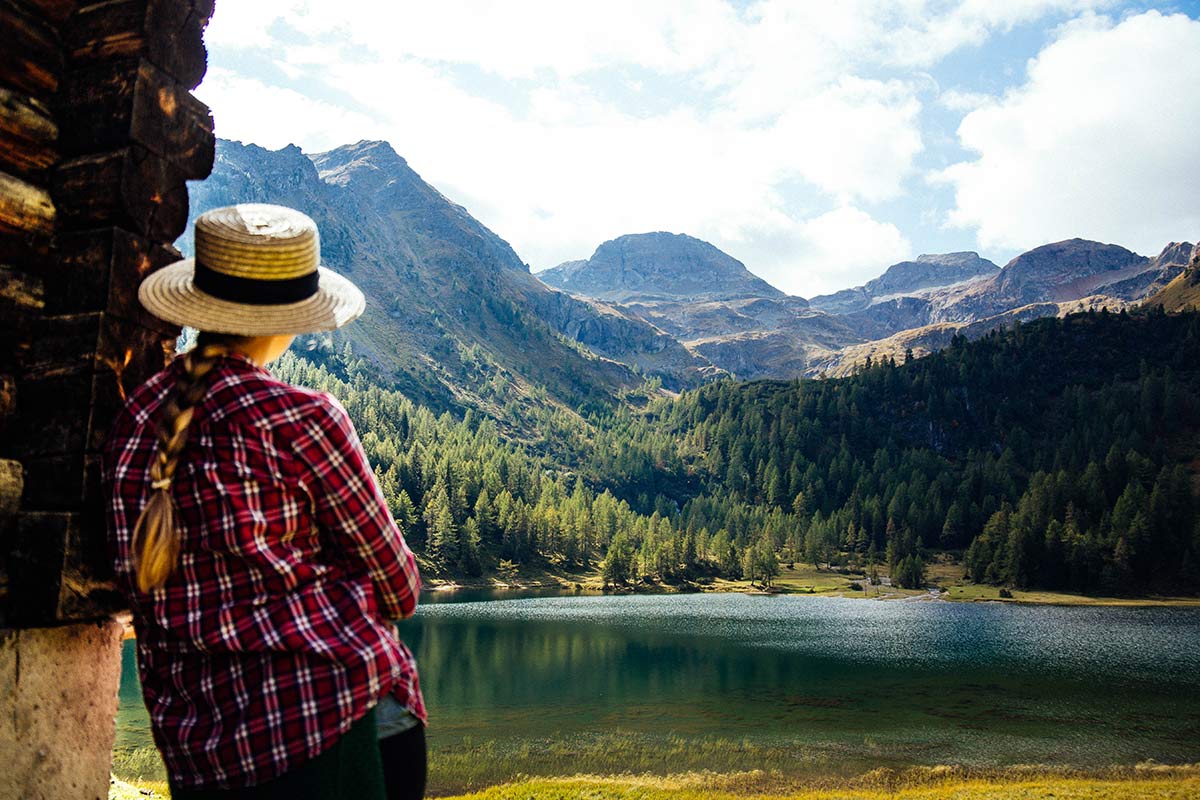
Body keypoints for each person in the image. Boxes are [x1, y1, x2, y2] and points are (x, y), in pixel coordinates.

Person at [104, 204, 426, 799]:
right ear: (290, 319)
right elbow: (399, 588)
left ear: (201, 306)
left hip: (200, 749)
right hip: (327, 720)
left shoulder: (134, 420)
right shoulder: (303, 419)